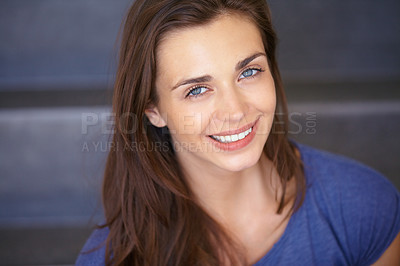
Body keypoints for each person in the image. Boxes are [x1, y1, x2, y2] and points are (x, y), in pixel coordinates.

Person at [76, 0, 400, 265]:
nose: (235, 111)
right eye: (197, 90)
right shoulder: (113, 259)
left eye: (249, 71)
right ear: (153, 110)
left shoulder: (364, 206)